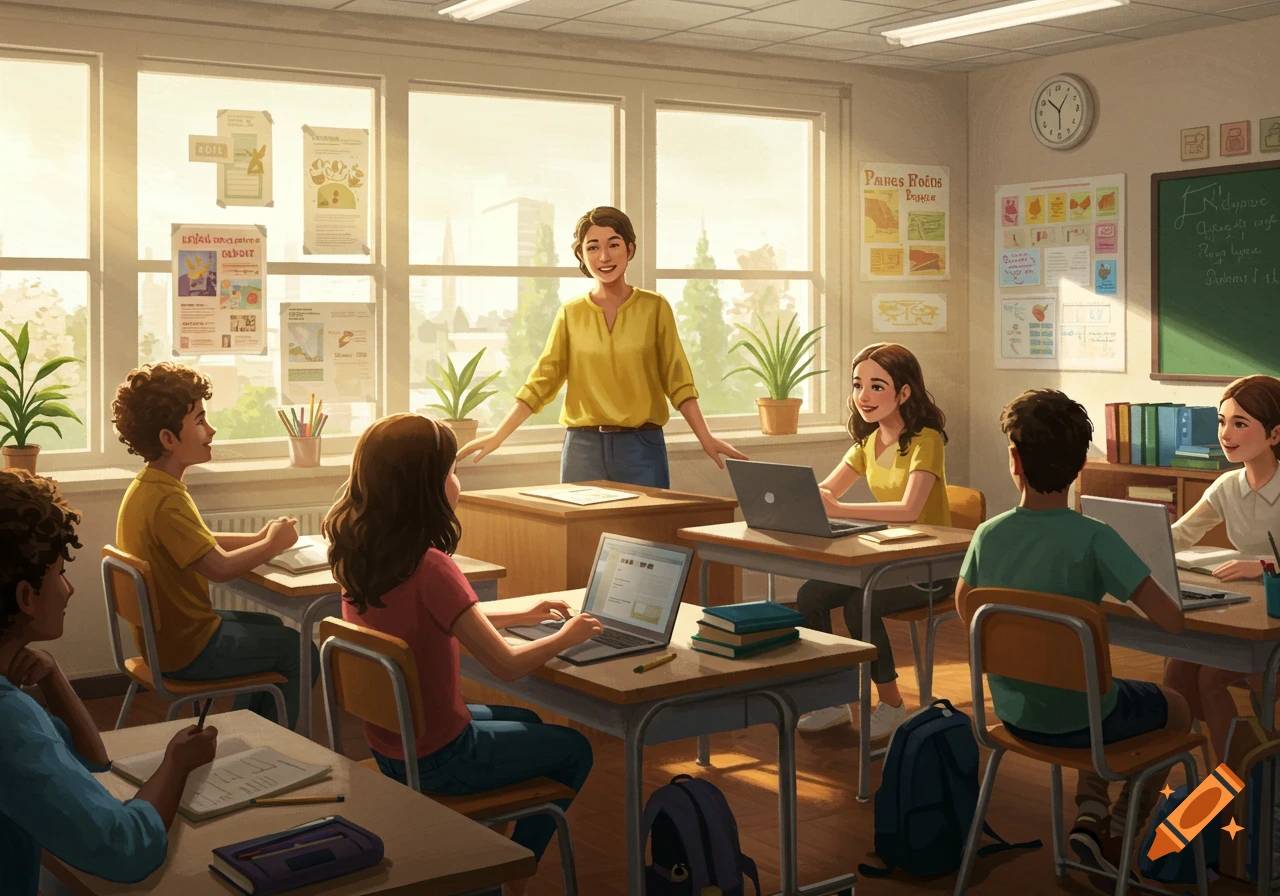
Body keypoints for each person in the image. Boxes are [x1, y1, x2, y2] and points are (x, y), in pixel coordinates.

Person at [325, 414, 602, 896]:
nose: (458, 481)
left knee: (529, 722)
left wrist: (520, 614)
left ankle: (485, 850)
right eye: (452, 471)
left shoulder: (359, 553)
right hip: (445, 756)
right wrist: (567, 636)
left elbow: (429, 622)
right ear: (424, 487)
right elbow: (507, 666)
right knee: (575, 748)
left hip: (395, 746)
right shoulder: (432, 565)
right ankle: (511, 867)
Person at [954, 389, 1189, 883]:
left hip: (1014, 717)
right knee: (1177, 707)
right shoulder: (1096, 537)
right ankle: (1122, 829)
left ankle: (1090, 816)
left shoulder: (987, 535)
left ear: (1014, 460)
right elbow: (1171, 622)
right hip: (1085, 723)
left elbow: (968, 609)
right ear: (1081, 464)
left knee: (1094, 688)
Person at [0, 470, 218, 896]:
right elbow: (126, 848)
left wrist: (53, 678)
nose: (67, 590)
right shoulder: (9, 721)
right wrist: (176, 762)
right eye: (60, 574)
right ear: (26, 596)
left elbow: (90, 758)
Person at [457, 206, 745, 488]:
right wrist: (498, 436)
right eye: (593, 247)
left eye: (614, 245)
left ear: (630, 250)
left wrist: (706, 438)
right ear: (581, 255)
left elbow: (678, 379)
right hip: (583, 448)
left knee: (646, 534)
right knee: (581, 535)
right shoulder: (570, 313)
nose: (604, 256)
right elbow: (541, 383)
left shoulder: (655, 307)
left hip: (642, 447)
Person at [112, 362, 314, 729]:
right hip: (188, 650)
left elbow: (200, 541)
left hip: (167, 644)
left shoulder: (148, 488)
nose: (212, 430)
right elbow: (219, 568)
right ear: (168, 439)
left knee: (270, 624)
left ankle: (248, 732)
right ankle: (269, 747)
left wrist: (256, 539)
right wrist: (273, 543)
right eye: (201, 422)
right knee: (301, 651)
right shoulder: (168, 500)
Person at [796, 343, 953, 738]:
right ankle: (831, 700)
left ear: (904, 392)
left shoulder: (926, 440)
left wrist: (840, 509)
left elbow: (908, 510)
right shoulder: (867, 443)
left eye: (877, 387)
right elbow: (827, 492)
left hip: (931, 565)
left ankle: (892, 704)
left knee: (858, 606)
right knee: (809, 595)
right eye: (858, 385)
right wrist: (801, 498)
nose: (864, 397)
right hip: (885, 560)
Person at [1163, 375, 1280, 761]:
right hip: (1245, 611)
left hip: (1274, 619)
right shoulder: (1227, 485)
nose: (1226, 434)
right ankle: (1233, 769)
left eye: (1240, 423)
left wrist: (1259, 565)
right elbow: (1180, 535)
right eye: (1221, 421)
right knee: (1177, 670)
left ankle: (1239, 778)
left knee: (1211, 675)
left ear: (1275, 434)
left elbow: (1261, 565)